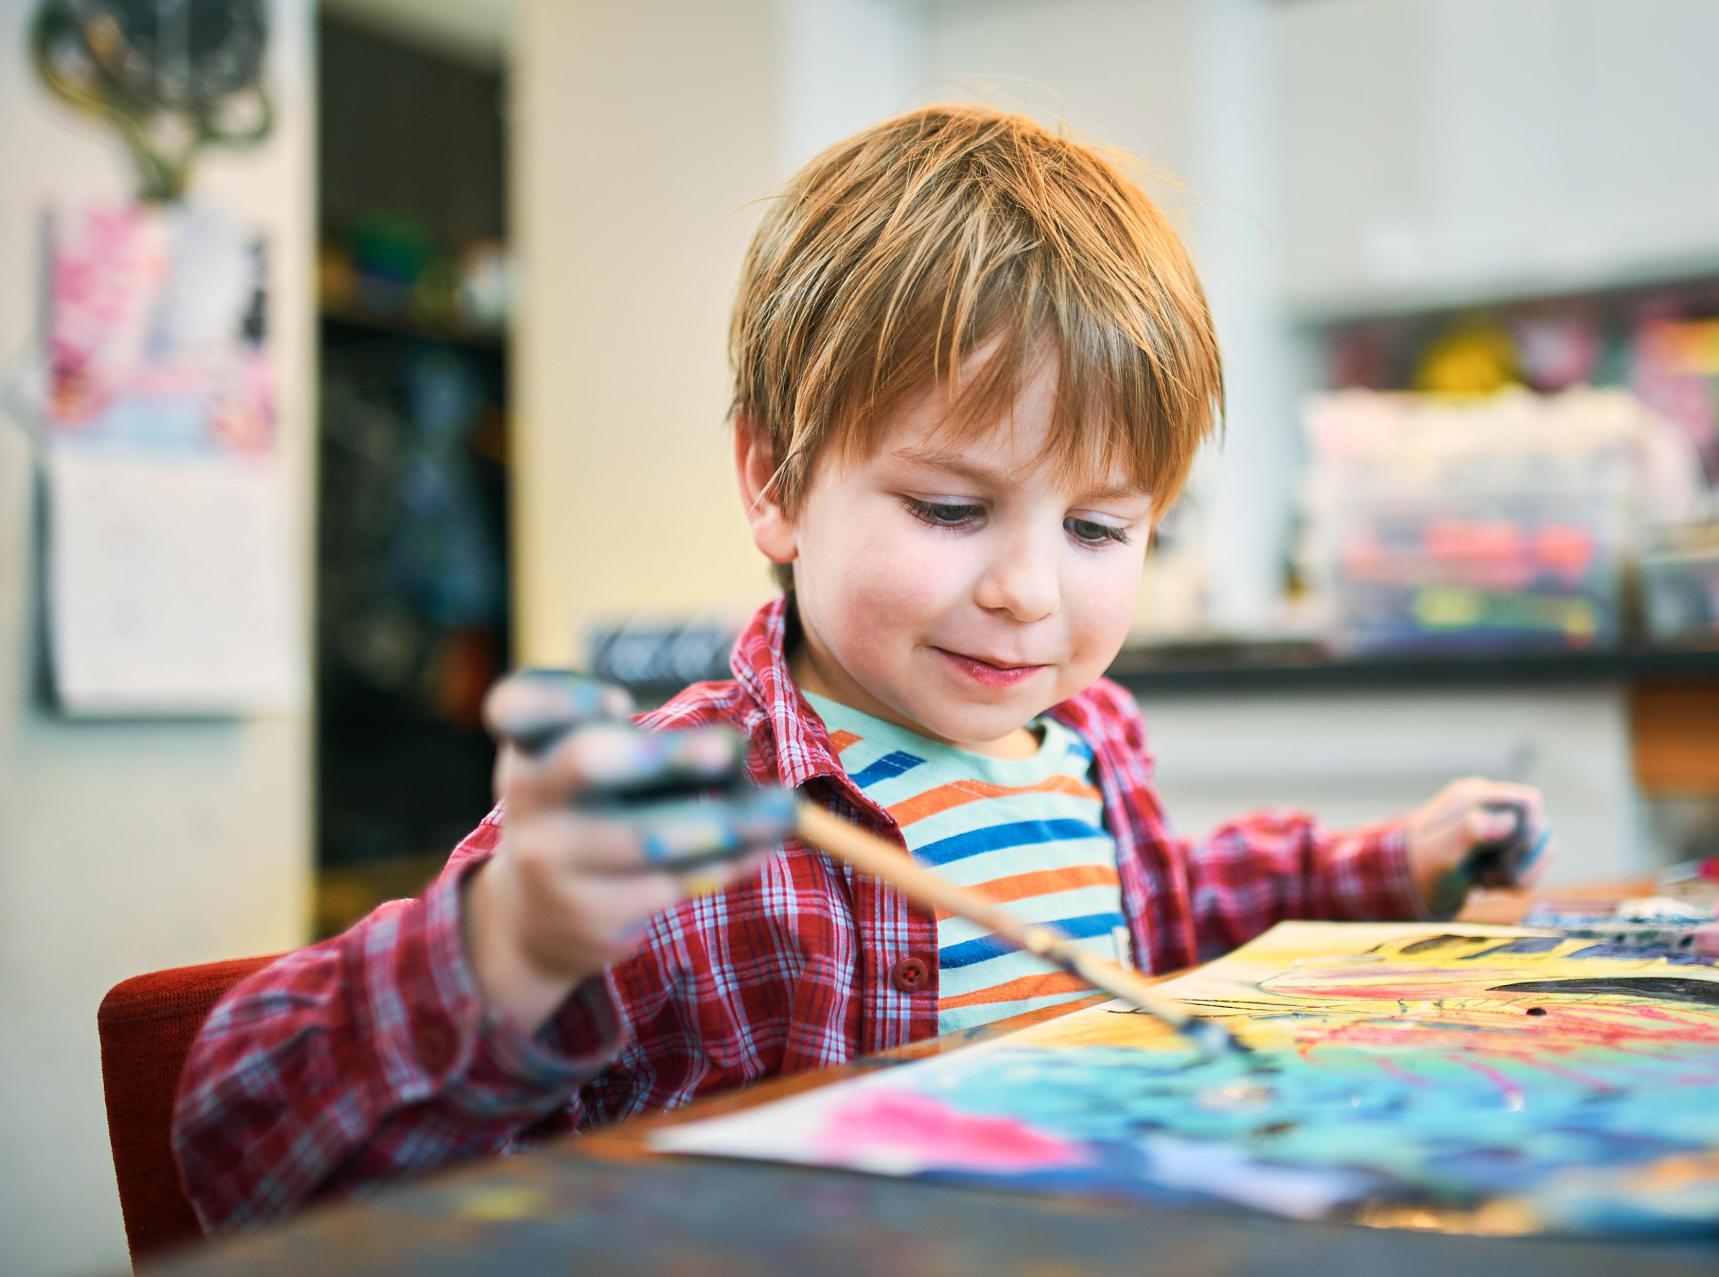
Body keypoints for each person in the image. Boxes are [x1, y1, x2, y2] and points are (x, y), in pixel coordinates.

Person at [173, 104, 1551, 1232]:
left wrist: (1392, 864)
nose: (1026, 591)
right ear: (775, 482)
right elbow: (239, 1147)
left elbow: (1184, 907)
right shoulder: (689, 813)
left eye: (1099, 528)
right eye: (950, 508)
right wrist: (517, 946)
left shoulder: (1090, 745)